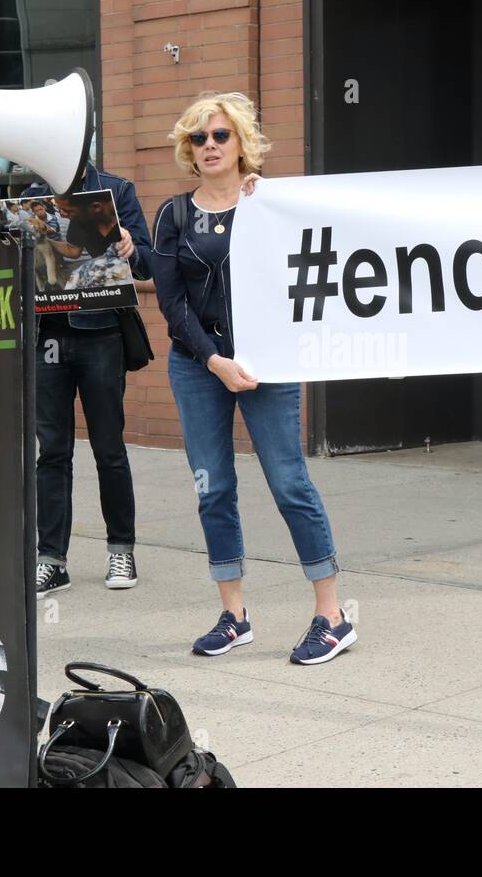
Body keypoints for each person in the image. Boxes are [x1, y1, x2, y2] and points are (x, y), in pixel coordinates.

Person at [152, 92, 356, 665]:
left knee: (289, 482)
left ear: (242, 142)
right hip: (197, 366)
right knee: (211, 486)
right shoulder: (173, 214)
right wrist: (214, 359)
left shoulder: (272, 203)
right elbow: (173, 303)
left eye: (220, 136)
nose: (210, 146)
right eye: (199, 138)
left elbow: (309, 276)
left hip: (268, 362)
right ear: (187, 149)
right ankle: (234, 615)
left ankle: (333, 616)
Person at [20, 164, 153, 594]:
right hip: (47, 339)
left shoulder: (116, 190)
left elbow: (148, 264)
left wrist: (132, 248)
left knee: (109, 448)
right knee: (52, 453)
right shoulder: (31, 196)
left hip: (101, 336)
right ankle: (51, 559)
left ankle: (121, 550)